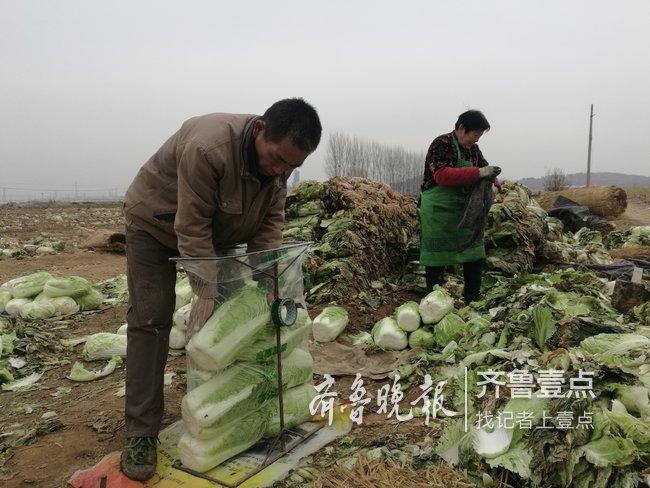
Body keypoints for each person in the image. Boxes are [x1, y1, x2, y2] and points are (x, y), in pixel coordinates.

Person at [119, 98, 322, 481]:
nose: (280, 171)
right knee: (151, 318)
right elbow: (190, 226)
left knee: (238, 325)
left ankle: (224, 415)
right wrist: (205, 291)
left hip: (219, 233)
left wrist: (268, 283)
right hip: (156, 226)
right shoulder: (207, 147)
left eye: (291, 167)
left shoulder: (278, 168)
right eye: (276, 159)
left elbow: (269, 226)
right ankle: (141, 432)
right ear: (261, 129)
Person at [419, 110, 500, 303]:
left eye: (480, 136)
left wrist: (495, 182)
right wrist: (478, 173)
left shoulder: (473, 150)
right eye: (475, 134)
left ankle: (472, 298)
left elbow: (485, 169)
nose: (476, 139)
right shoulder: (442, 144)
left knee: (473, 252)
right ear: (462, 128)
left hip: (464, 210)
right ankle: (433, 301)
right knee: (436, 256)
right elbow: (442, 175)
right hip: (439, 209)